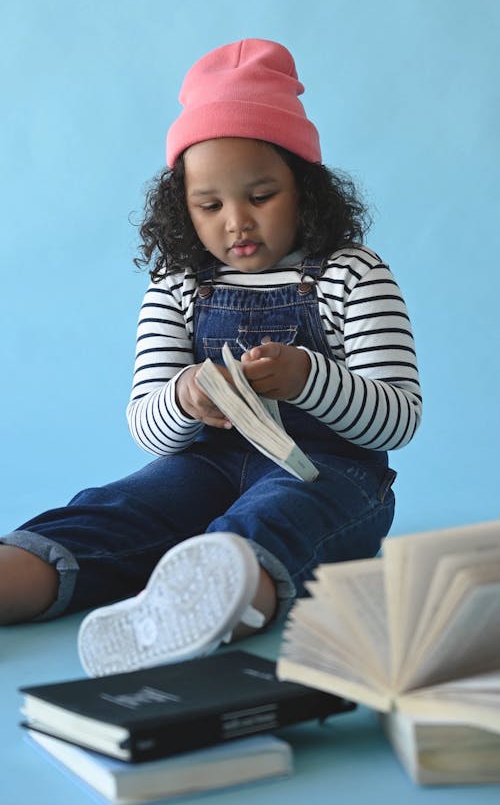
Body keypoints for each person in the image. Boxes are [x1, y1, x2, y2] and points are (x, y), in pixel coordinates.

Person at [0, 39, 422, 676]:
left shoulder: (353, 274)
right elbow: (148, 426)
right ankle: (22, 575)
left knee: (277, 518)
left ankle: (195, 611)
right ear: (182, 207)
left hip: (328, 471)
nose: (236, 223)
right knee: (118, 509)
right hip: (207, 464)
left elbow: (399, 420)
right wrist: (189, 395)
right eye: (210, 205)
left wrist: (307, 378)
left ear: (305, 189)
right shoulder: (178, 284)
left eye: (261, 196)